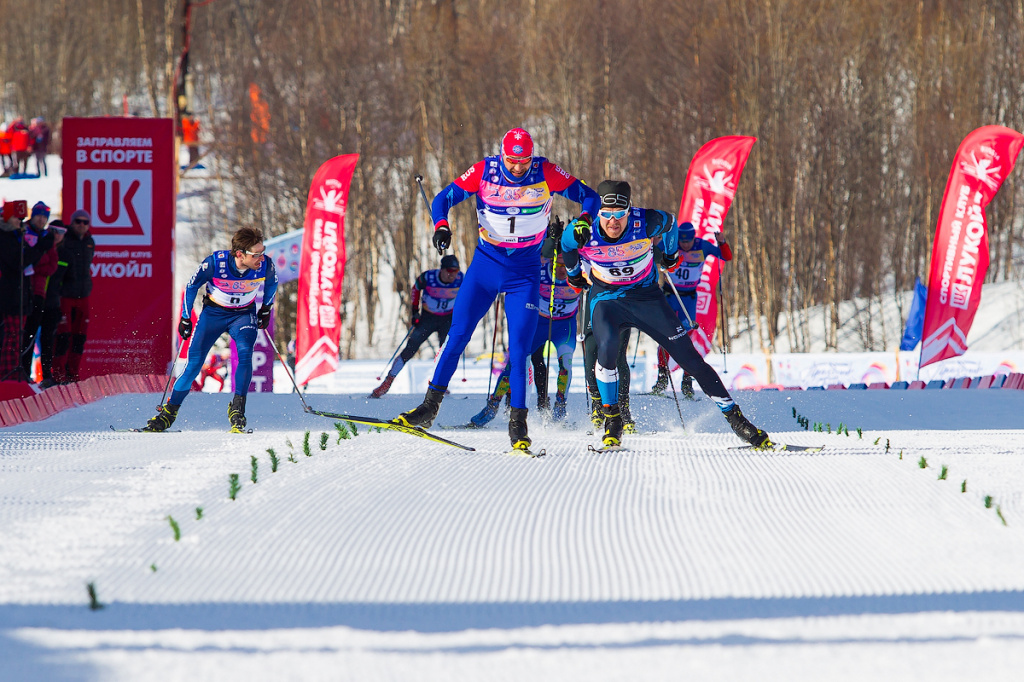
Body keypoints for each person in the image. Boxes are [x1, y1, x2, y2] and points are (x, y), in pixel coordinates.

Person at [392, 128, 600, 452]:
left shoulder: (544, 171)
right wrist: (441, 226)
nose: (518, 168)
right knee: (457, 336)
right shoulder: (485, 171)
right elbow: (442, 199)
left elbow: (591, 196)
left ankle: (518, 425)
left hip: (525, 273)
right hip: (485, 268)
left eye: (524, 161)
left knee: (518, 349)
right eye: (513, 161)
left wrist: (585, 220)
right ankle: (429, 407)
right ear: (503, 155)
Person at [561, 179, 771, 450]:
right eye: (608, 214)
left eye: (620, 214)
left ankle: (737, 420)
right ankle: (613, 420)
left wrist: (671, 255)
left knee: (691, 360)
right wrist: (574, 275)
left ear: (629, 211)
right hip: (607, 299)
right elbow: (567, 248)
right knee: (607, 348)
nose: (614, 222)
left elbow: (671, 223)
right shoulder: (584, 230)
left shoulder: (645, 222)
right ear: (599, 212)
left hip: (647, 298)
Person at [144, 227, 278, 433]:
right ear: (240, 254)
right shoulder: (215, 263)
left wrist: (266, 308)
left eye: (263, 251)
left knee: (245, 354)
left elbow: (271, 284)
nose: (262, 257)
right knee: (194, 366)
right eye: (256, 254)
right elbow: (191, 286)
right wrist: (186, 318)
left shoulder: (265, 265)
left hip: (243, 315)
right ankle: (169, 412)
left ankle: (237, 409)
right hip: (213, 315)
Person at [469, 244, 582, 426]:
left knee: (566, 364)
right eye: (558, 265)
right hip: (539, 323)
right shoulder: (541, 268)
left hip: (564, 326)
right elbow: (518, 274)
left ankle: (560, 409)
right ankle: (492, 407)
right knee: (515, 362)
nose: (563, 270)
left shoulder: (579, 272)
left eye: (566, 266)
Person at [649, 221, 733, 399]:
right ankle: (662, 378)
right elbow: (652, 252)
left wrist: (722, 242)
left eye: (688, 242)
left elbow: (726, 257)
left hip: (688, 298)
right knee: (664, 336)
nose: (685, 246)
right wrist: (654, 242)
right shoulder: (671, 243)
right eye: (682, 242)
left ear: (693, 238)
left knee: (687, 339)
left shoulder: (702, 246)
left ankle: (687, 382)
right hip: (670, 295)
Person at [369, 254, 463, 398]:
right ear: (442, 270)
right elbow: (415, 289)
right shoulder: (428, 278)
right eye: (449, 271)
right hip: (428, 317)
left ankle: (440, 386)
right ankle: (387, 382)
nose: (452, 275)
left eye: (455, 271)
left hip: (447, 319)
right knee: (410, 349)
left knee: (446, 353)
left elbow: (470, 294)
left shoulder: (461, 279)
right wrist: (414, 312)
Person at [0, 203, 54, 380]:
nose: (20, 222)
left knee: (18, 336)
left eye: (22, 219)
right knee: (12, 337)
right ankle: (8, 373)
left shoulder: (17, 235)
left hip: (21, 293)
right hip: (11, 294)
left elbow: (41, 263)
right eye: (17, 218)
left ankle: (16, 372)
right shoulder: (6, 236)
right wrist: (40, 248)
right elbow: (20, 261)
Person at [51, 210, 96, 384]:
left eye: (85, 222)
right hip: (65, 295)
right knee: (63, 335)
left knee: (79, 337)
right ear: (72, 222)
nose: (82, 225)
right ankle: (58, 374)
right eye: (78, 221)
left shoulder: (89, 241)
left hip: (83, 295)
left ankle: (73, 374)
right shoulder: (65, 239)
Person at [19, 203, 59, 380]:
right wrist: (36, 261)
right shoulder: (24, 231)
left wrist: (36, 263)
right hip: (21, 290)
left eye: (44, 217)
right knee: (18, 333)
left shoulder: (47, 237)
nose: (41, 219)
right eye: (38, 215)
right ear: (32, 216)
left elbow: (52, 266)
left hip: (38, 291)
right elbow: (22, 261)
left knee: (31, 333)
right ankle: (17, 370)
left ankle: (27, 372)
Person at [37, 220, 67, 388]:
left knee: (49, 341)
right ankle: (25, 372)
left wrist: (59, 291)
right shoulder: (41, 246)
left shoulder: (66, 254)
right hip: (34, 301)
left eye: (60, 232)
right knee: (28, 338)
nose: (56, 235)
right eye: (53, 230)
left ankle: (48, 375)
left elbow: (72, 280)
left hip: (52, 303)